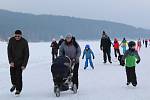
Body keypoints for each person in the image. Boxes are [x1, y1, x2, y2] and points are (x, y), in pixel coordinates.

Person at [7, 30, 29, 95]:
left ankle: (18, 90)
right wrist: (10, 61)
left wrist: (24, 64)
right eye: (15, 36)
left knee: (18, 76)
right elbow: (9, 51)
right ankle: (14, 84)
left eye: (18, 36)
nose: (17, 37)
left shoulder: (24, 42)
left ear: (21, 35)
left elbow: (26, 54)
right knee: (12, 75)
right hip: (13, 62)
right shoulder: (11, 40)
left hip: (20, 62)